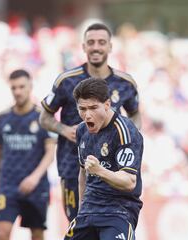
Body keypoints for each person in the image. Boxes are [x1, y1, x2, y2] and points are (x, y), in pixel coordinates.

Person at [39, 22, 141, 222]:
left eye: (101, 42)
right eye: (91, 42)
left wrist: (131, 138)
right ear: (83, 47)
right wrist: (65, 129)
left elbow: (135, 115)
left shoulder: (126, 83)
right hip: (71, 164)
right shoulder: (66, 80)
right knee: (77, 223)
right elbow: (44, 117)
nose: (96, 47)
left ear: (110, 47)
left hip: (111, 166)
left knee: (109, 224)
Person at [64, 78, 143, 240]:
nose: (87, 115)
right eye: (82, 109)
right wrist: (81, 212)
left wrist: (100, 170)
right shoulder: (81, 131)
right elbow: (83, 175)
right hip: (88, 210)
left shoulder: (125, 131)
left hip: (118, 211)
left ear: (107, 105)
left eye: (93, 108)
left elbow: (129, 182)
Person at [0, 69, 56, 240]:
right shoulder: (2, 118)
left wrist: (34, 177)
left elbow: (51, 152)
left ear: (30, 87)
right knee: (2, 233)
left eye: (21, 87)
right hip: (8, 186)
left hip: (36, 187)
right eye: (13, 88)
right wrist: (0, 181)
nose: (17, 92)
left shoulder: (43, 118)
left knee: (37, 234)